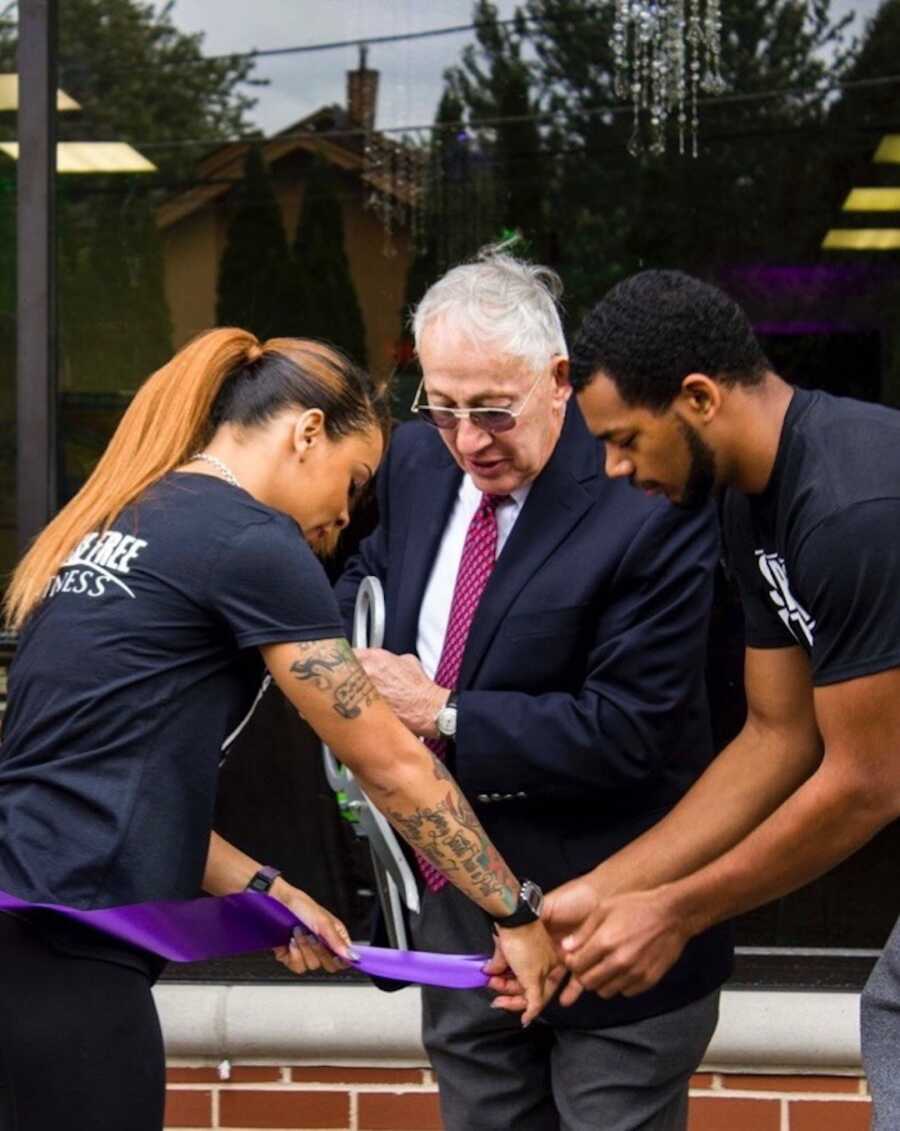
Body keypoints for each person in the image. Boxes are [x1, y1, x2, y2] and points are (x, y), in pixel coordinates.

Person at [0, 328, 560, 1131]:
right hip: (70, 961)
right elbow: (390, 763)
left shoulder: (123, 520)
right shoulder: (249, 540)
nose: (344, 514)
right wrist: (515, 913)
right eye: (353, 479)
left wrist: (268, 891)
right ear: (305, 433)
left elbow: (109, 781)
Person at [336, 250, 733, 1131]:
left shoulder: (648, 494)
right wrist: (350, 663)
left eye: (492, 410)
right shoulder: (416, 461)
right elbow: (369, 582)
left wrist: (440, 709)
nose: (469, 439)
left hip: (613, 930)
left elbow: (630, 730)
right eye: (444, 409)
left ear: (559, 381)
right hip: (462, 923)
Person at [551, 268, 900, 1129]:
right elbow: (777, 737)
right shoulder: (750, 503)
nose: (613, 466)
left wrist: (674, 910)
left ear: (698, 397)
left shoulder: (851, 505)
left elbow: (868, 781)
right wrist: (603, 890)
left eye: (626, 437)